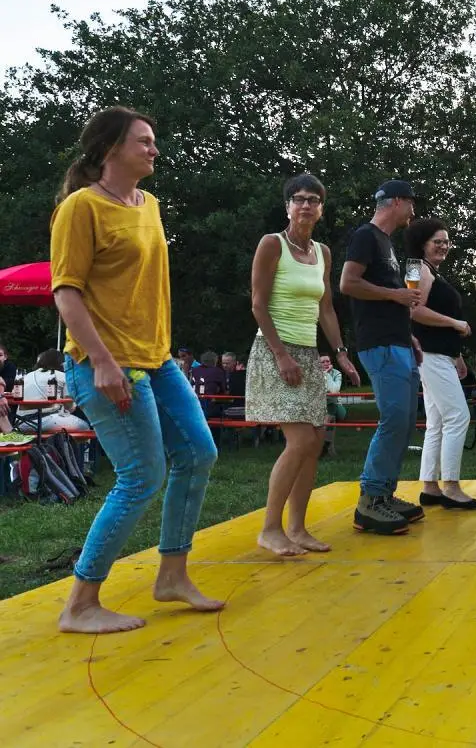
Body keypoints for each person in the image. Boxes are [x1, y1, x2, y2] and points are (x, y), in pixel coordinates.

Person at [51, 106, 222, 634]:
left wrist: (161, 349)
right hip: (105, 362)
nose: (153, 149)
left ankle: (172, 574)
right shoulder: (82, 208)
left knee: (198, 452)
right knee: (142, 476)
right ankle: (80, 603)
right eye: (143, 141)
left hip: (157, 358)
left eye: (153, 140)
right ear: (110, 150)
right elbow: (66, 291)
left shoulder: (149, 205)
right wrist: (102, 361)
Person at [246, 174, 361, 556]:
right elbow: (258, 304)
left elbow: (325, 307)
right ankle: (269, 528)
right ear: (288, 206)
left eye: (313, 200)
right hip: (276, 350)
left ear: (321, 209)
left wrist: (340, 352)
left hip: (310, 355)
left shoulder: (323, 252)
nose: (306, 205)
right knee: (300, 441)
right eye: (299, 199)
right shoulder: (271, 244)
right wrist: (281, 354)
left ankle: (297, 528)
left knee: (313, 444)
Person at [339, 180, 427, 535]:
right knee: (393, 419)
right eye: (411, 202)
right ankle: (369, 502)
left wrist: (409, 335)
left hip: (398, 342)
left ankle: (385, 496)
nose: (414, 210)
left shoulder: (386, 244)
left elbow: (395, 298)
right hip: (378, 344)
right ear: (396, 202)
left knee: (405, 422)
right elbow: (347, 283)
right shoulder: (366, 235)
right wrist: (395, 296)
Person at [409, 218, 476, 510]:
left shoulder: (428, 271)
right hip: (428, 355)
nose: (443, 245)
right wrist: (456, 323)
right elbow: (414, 311)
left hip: (440, 355)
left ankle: (430, 487)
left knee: (438, 422)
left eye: (446, 241)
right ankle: (451, 487)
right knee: (458, 416)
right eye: (436, 240)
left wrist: (457, 356)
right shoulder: (416, 268)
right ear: (422, 243)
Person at [17, 349, 90, 432]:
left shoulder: (26, 377)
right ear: (61, 363)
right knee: (85, 427)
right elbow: (69, 407)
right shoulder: (61, 376)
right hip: (49, 422)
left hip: (22, 423)